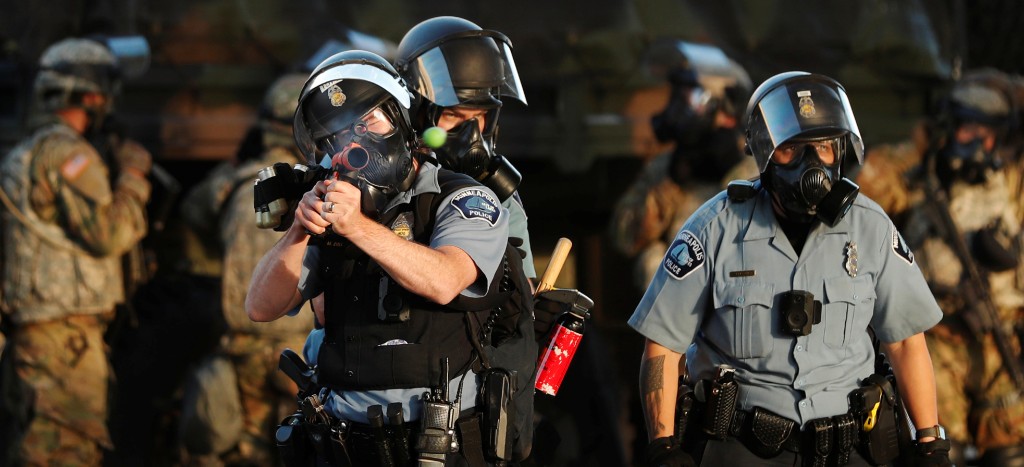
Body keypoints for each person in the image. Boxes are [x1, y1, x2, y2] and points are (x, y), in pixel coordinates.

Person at [629, 71, 951, 466]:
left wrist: (930, 440)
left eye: (823, 148)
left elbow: (905, 343)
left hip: (849, 448)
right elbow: (663, 344)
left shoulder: (872, 228)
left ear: (839, 151)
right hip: (741, 448)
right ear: (766, 152)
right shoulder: (715, 226)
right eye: (791, 149)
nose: (811, 164)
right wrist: (663, 447)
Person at [246, 49, 532, 466]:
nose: (355, 142)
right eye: (339, 134)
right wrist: (299, 230)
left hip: (438, 446)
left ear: (400, 119)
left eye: (369, 122)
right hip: (345, 445)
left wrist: (357, 228)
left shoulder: (463, 197)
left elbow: (445, 280)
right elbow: (259, 307)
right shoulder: (334, 209)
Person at [0, 37, 152, 465]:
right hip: (62, 342)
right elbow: (110, 234)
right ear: (90, 95)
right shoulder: (67, 152)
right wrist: (134, 177)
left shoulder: (28, 149)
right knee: (68, 450)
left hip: (43, 337)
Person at [175, 72, 316, 466]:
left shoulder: (234, 184)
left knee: (243, 452)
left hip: (242, 352)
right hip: (299, 357)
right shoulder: (319, 188)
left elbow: (192, 211)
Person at [895, 71, 1024, 466]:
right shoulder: (918, 177)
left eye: (987, 131)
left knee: (1010, 450)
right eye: (967, 127)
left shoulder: (1013, 181)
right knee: (941, 450)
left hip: (1002, 338)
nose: (976, 141)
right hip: (937, 338)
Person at [610, 41, 758, 290]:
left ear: (724, 108)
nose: (676, 109)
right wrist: (671, 183)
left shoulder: (759, 166)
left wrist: (732, 174)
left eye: (687, 98)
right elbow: (624, 239)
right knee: (653, 260)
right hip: (684, 297)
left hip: (741, 290)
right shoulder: (668, 165)